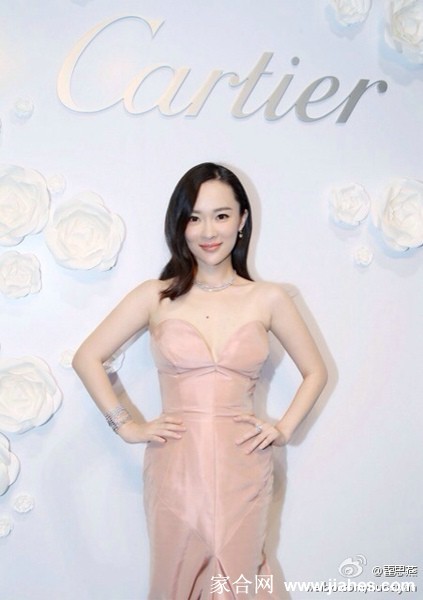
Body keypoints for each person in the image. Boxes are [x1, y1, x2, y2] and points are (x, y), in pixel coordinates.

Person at [72, 162, 328, 599]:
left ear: (242, 220)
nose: (208, 231)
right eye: (194, 217)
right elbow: (87, 358)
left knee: (241, 576)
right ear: (180, 224)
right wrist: (127, 426)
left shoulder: (268, 298)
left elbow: (316, 371)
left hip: (244, 464)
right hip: (175, 465)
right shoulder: (155, 296)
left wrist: (283, 429)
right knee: (176, 576)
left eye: (221, 215)